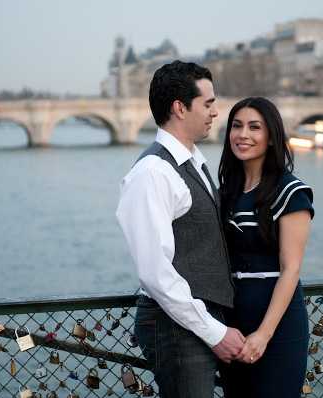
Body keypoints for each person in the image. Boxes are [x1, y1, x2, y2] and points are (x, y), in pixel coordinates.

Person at [116, 60, 246, 398]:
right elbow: (156, 272)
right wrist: (214, 332)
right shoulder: (153, 173)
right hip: (176, 327)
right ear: (179, 107)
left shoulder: (193, 162)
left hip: (195, 320)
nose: (216, 112)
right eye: (208, 103)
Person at [218, 97, 314, 397]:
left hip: (277, 326)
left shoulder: (290, 191)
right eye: (236, 126)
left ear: (271, 137)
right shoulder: (227, 192)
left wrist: (264, 334)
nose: (242, 134)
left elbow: (291, 269)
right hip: (231, 326)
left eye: (254, 127)